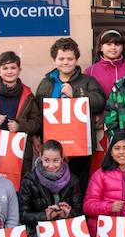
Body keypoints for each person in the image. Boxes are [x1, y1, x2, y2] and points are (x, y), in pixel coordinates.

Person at [35, 37, 106, 195]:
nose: (65, 62)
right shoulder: (46, 83)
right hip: (53, 147)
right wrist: (36, 136)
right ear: (54, 60)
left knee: (79, 185)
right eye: (61, 58)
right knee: (51, 185)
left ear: (76, 60)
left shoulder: (88, 81)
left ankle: (78, 217)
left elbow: (100, 102)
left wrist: (76, 94)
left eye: (70, 58)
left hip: (79, 145)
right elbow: (38, 111)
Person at [83, 132, 125, 237]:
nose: (121, 152)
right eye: (117, 148)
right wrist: (109, 207)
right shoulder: (100, 175)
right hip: (100, 234)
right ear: (111, 152)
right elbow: (88, 207)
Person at [18, 139, 83, 237]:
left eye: (56, 160)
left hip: (66, 233)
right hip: (38, 234)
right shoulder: (29, 180)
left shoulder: (73, 180)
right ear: (40, 156)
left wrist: (69, 213)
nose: (51, 165)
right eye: (47, 160)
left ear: (62, 158)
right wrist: (45, 216)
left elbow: (80, 211)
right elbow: (22, 214)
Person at [85, 29, 125, 97]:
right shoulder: (90, 71)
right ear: (101, 47)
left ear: (122, 47)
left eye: (117, 44)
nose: (113, 47)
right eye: (109, 44)